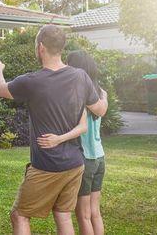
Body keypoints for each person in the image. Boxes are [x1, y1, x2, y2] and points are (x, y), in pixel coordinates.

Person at [0, 25, 108, 235]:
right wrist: (105, 97)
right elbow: (99, 109)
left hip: (47, 165)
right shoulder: (81, 77)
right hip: (75, 164)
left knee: (20, 216)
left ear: (41, 48)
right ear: (61, 48)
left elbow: (0, 89)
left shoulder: (32, 81)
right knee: (63, 215)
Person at [67, 50, 107, 235]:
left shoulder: (78, 95)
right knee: (94, 212)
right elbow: (102, 110)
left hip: (85, 159)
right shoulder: (99, 93)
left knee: (83, 214)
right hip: (99, 158)